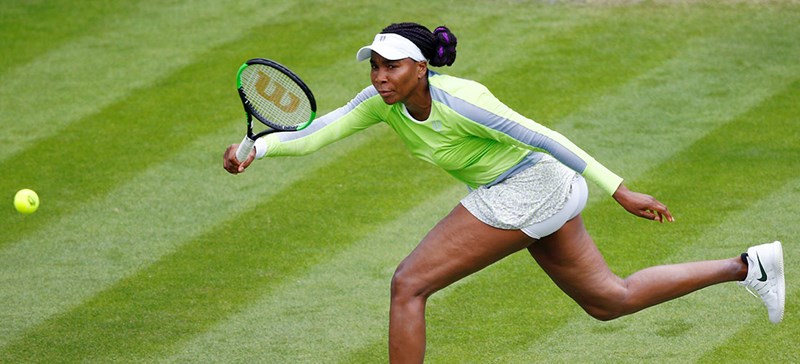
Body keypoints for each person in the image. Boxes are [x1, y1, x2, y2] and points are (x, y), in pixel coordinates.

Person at [223, 22, 785, 363]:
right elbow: (319, 131)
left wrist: (621, 191)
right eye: (374, 66)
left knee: (408, 284)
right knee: (608, 301)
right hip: (535, 194)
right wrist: (257, 148)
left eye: (391, 66)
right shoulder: (381, 104)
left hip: (530, 188)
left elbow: (546, 138)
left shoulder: (462, 99)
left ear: (421, 68)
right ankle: (747, 267)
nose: (379, 77)